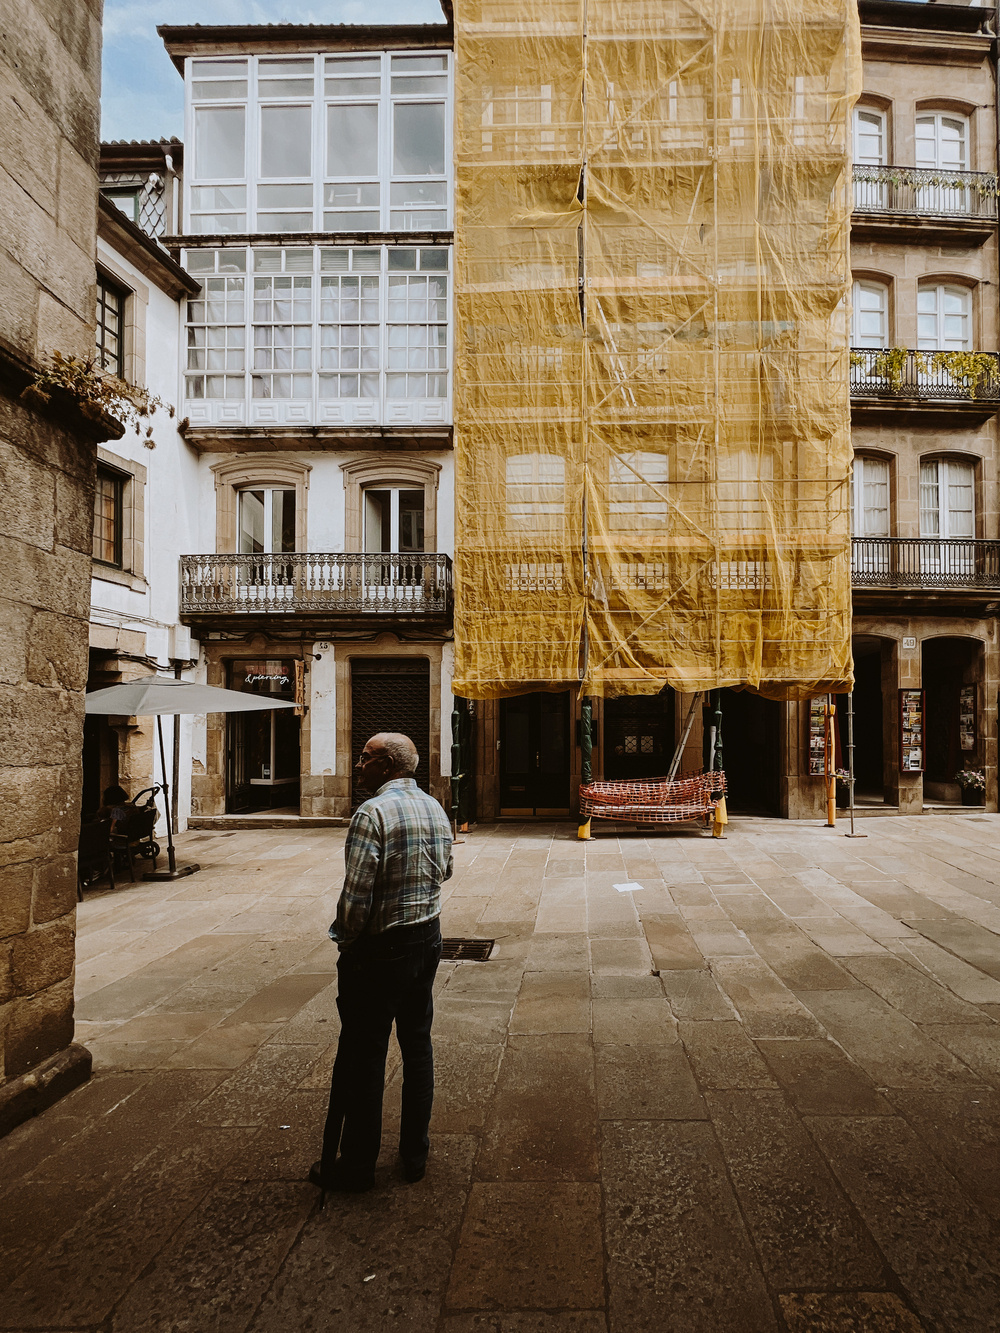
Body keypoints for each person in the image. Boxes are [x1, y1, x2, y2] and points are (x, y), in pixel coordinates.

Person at [310, 731, 453, 1196]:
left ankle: (356, 1165)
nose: (358, 765)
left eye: (366, 758)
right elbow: (446, 869)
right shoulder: (434, 807)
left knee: (367, 1053)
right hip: (427, 938)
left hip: (380, 949)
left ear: (389, 766)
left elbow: (356, 897)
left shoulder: (371, 813)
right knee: (417, 1046)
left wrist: (346, 943)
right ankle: (415, 1154)